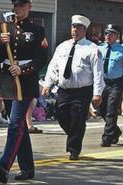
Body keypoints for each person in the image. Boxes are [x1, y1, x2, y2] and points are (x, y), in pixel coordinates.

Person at [0, 0, 49, 184]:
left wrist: (23, 70)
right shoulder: (5, 28)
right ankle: (27, 167)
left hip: (25, 81)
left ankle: (4, 165)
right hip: (8, 80)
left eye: (22, 5)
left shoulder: (36, 30)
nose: (18, 8)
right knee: (20, 126)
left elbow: (42, 58)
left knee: (15, 123)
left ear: (29, 7)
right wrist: (1, 44)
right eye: (15, 5)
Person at [42, 15, 103, 160]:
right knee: (61, 115)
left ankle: (74, 149)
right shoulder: (62, 47)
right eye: (73, 27)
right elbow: (53, 67)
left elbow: (98, 73)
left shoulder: (92, 49)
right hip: (64, 89)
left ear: (85, 31)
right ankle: (76, 133)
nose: (75, 31)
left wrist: (97, 93)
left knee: (77, 118)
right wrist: (47, 84)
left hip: (82, 90)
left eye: (79, 28)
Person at [98, 24, 123, 146]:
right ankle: (115, 130)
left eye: (111, 34)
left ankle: (107, 137)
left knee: (111, 110)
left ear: (117, 36)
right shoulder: (99, 49)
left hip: (116, 83)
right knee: (102, 109)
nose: (108, 36)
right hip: (103, 83)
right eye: (106, 33)